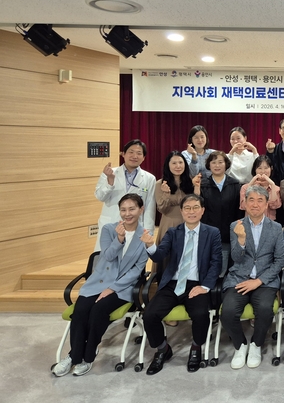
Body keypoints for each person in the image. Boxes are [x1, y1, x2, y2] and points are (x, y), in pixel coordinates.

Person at [51, 194, 149, 377]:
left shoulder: (144, 236)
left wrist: (112, 289)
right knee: (80, 311)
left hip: (123, 287)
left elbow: (137, 271)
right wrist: (119, 239)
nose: (127, 213)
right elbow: (108, 256)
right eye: (123, 209)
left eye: (132, 209)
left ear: (141, 209)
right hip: (99, 282)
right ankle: (73, 356)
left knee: (98, 311)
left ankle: (87, 357)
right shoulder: (109, 229)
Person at [140, 194, 222, 375]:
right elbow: (159, 255)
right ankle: (162, 349)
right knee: (150, 315)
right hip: (173, 283)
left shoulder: (212, 233)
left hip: (197, 283)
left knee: (200, 314)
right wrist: (151, 245)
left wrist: (205, 287)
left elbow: (216, 263)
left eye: (195, 207)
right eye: (187, 208)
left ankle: (196, 348)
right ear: (182, 211)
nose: (191, 212)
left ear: (202, 211)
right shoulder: (173, 232)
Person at [221, 186, 284, 369]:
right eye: (251, 200)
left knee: (265, 310)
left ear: (266, 205)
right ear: (245, 203)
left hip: (264, 280)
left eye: (260, 200)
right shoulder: (236, 226)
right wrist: (241, 240)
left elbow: (280, 260)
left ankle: (256, 345)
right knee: (227, 312)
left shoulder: (275, 228)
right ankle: (240, 345)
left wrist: (259, 281)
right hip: (239, 277)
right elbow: (236, 258)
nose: (255, 204)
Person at [94, 139, 156, 251]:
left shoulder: (149, 178)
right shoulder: (109, 173)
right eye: (131, 152)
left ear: (143, 158)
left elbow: (149, 206)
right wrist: (110, 181)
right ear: (123, 154)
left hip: (135, 225)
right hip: (111, 222)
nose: (134, 156)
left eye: (139, 153)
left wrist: (148, 231)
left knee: (130, 257)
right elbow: (100, 196)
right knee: (107, 256)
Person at [199, 150, 242, 270]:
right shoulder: (202, 184)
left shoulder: (235, 184)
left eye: (220, 162)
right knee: (208, 266)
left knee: (226, 267)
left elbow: (238, 211)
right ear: (209, 165)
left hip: (229, 234)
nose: (217, 165)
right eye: (213, 162)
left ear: (226, 164)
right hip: (208, 233)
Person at [155, 150, 202, 245]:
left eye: (181, 162)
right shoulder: (160, 184)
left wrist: (197, 190)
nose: (178, 166)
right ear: (168, 165)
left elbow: (198, 206)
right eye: (174, 163)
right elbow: (162, 209)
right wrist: (166, 194)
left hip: (190, 223)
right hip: (169, 223)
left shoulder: (192, 181)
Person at [239, 155, 282, 222]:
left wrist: (272, 184)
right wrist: (251, 183)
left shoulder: (276, 188)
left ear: (271, 168)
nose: (263, 171)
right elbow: (244, 206)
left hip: (269, 224)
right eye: (259, 168)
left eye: (266, 168)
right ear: (255, 169)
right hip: (250, 223)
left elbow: (274, 206)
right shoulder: (245, 187)